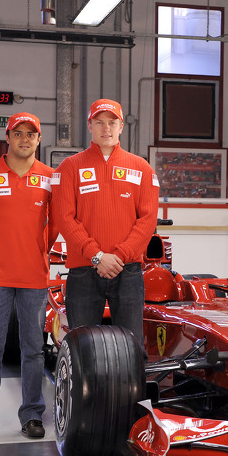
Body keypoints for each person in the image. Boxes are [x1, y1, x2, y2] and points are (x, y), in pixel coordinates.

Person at [0, 112, 58, 441]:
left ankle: (32, 415)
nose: (24, 139)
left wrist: (38, 249)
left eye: (31, 134)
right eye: (18, 133)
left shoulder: (50, 177)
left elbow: (57, 221)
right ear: (8, 137)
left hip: (34, 276)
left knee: (33, 349)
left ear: (38, 140)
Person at [52, 99, 159, 347]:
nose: (106, 128)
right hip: (84, 271)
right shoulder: (69, 167)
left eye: (112, 122)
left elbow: (147, 219)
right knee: (81, 347)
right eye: (99, 122)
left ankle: (131, 387)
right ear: (89, 126)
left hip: (128, 270)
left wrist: (119, 255)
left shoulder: (141, 168)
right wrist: (96, 255)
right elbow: (65, 218)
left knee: (131, 346)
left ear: (122, 126)